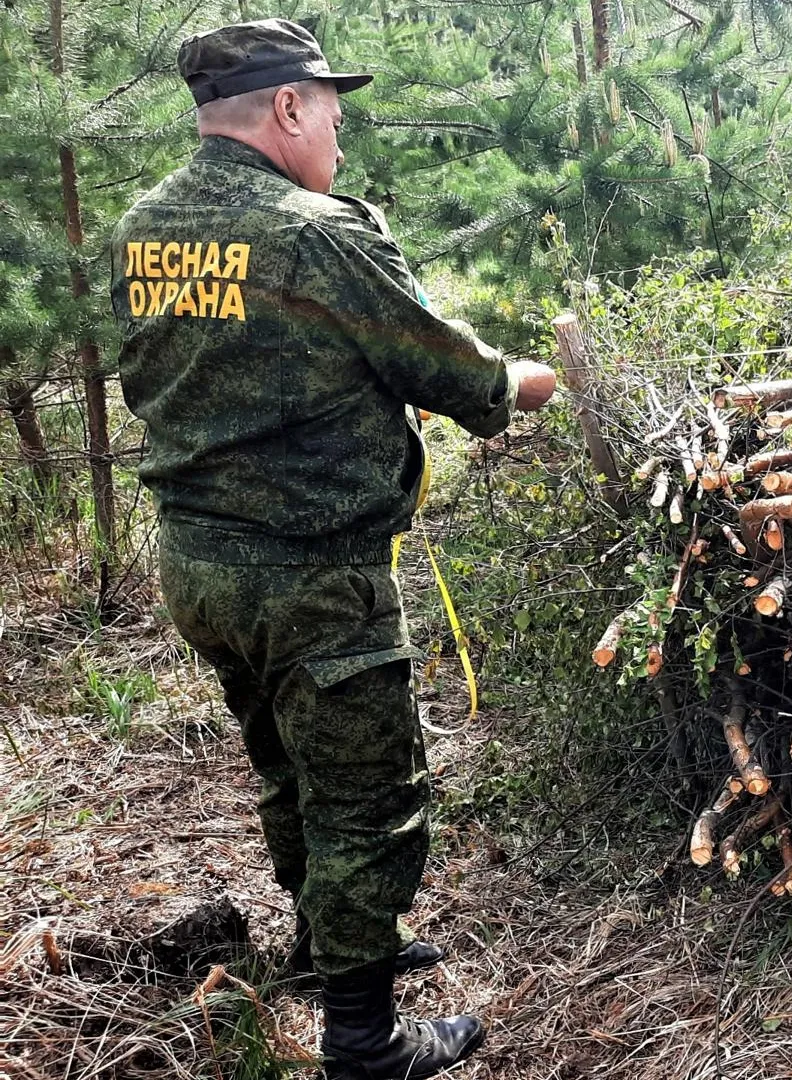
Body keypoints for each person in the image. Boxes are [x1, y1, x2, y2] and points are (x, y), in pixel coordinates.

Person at [111, 19, 556, 1080]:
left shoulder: (147, 226)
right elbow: (465, 382)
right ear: (289, 108)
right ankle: (364, 1042)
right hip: (311, 572)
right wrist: (551, 375)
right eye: (334, 118)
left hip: (198, 564)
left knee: (282, 758)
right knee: (368, 794)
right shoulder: (318, 232)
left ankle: (328, 947)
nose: (342, 143)